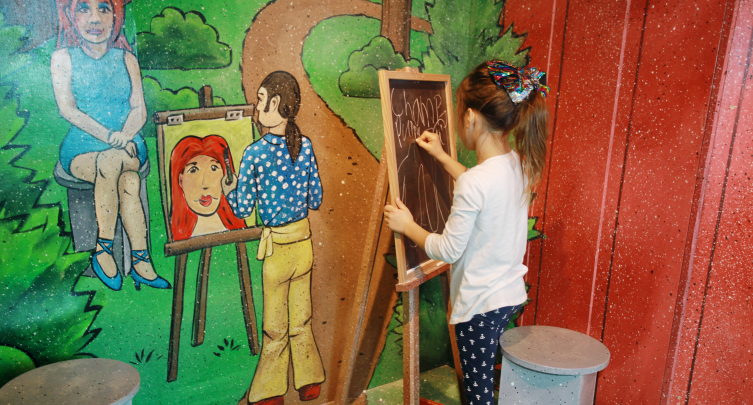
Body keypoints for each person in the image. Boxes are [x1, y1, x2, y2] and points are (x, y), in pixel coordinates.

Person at [384, 60, 550, 405]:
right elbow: (481, 190)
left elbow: (447, 250)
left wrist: (407, 225)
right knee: (484, 381)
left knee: (478, 394)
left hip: (478, 308)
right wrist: (442, 157)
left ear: (471, 117)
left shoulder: (477, 181)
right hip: (507, 296)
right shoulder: (517, 163)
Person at [222, 71, 325, 405]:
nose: (256, 108)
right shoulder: (305, 146)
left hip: (277, 249)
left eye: (260, 101)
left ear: (276, 103)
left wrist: (229, 190)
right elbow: (315, 199)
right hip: (303, 243)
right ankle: (309, 381)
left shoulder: (254, 154)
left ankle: (270, 391)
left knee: (275, 325)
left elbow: (242, 208)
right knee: (302, 316)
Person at [51, 0, 168, 291]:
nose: (95, 18)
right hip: (82, 146)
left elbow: (139, 109)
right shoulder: (63, 57)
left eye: (103, 8)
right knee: (128, 179)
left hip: (128, 142)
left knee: (112, 161)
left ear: (116, 16)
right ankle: (140, 260)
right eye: (84, 8)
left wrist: (123, 136)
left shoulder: (127, 59)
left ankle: (102, 251)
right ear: (71, 16)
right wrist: (109, 137)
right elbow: (68, 109)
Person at [169, 135, 246, 240]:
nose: (205, 184)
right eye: (193, 170)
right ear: (180, 180)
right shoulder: (176, 237)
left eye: (214, 168)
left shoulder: (239, 230)